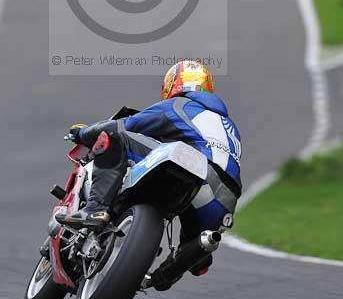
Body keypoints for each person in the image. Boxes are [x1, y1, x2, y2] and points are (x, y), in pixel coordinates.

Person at [57, 60, 242, 275]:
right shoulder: (230, 127)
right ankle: (179, 266)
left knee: (115, 137)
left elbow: (124, 125)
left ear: (172, 85)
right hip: (226, 198)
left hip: (194, 166)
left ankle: (96, 209)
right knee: (195, 254)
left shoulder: (179, 105)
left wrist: (83, 134)